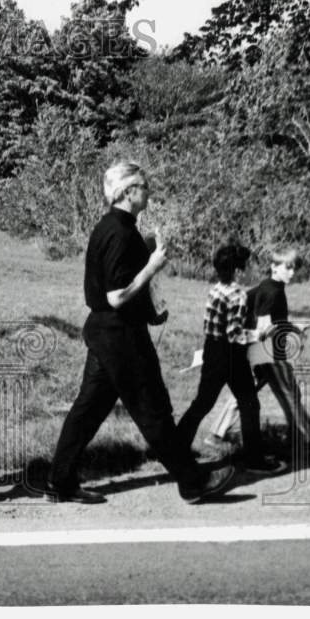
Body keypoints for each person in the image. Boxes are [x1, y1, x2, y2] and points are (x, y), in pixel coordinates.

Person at [46, 161, 236, 504]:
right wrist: (153, 265)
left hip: (108, 332)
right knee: (154, 411)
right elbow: (116, 295)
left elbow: (117, 288)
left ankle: (59, 483)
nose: (149, 191)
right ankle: (193, 483)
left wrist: (149, 312)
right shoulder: (119, 233)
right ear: (128, 191)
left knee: (87, 411)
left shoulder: (114, 227)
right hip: (120, 338)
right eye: (144, 186)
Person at [176, 243, 284, 474]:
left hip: (212, 351)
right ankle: (255, 460)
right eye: (244, 267)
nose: (247, 270)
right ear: (236, 270)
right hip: (231, 355)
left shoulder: (215, 289)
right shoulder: (238, 294)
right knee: (249, 404)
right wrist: (261, 334)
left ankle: (173, 449)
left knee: (202, 403)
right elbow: (235, 334)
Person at [207, 247, 310, 458]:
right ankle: (309, 438)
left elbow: (259, 314)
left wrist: (294, 327)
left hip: (256, 351)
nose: (292, 272)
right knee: (290, 394)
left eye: (294, 268)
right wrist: (290, 331)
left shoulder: (266, 286)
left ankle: (216, 434)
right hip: (268, 352)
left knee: (247, 393)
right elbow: (265, 327)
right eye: (287, 267)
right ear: (273, 267)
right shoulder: (273, 292)